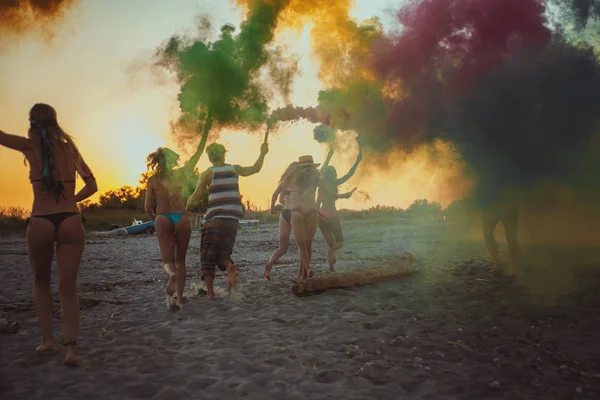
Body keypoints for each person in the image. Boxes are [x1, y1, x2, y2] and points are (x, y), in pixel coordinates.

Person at [0, 103, 98, 367]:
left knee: (41, 281)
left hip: (41, 220)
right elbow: (92, 185)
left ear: (32, 124)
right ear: (56, 123)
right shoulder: (70, 148)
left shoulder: (30, 146)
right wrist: (72, 200)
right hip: (70, 219)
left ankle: (47, 341)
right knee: (68, 288)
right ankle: (71, 349)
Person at [186, 140, 269, 299]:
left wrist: (186, 208)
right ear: (224, 154)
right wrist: (263, 153)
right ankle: (229, 266)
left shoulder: (208, 173)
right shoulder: (235, 169)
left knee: (207, 257)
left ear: (210, 157)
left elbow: (196, 195)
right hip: (232, 221)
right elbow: (255, 169)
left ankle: (210, 293)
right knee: (224, 254)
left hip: (214, 220)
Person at [144, 130, 208, 309]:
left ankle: (171, 275)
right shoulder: (181, 174)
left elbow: (147, 207)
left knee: (168, 262)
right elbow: (197, 154)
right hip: (181, 217)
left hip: (162, 216)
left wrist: (155, 218)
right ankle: (179, 298)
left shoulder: (152, 180)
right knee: (181, 260)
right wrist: (205, 133)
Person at [271, 155, 323, 279]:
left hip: (294, 211)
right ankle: (304, 273)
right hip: (306, 211)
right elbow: (323, 193)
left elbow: (279, 196)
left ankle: (305, 271)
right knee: (306, 244)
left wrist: (273, 207)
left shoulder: (292, 179)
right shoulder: (315, 178)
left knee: (300, 245)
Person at [317, 138, 363, 271]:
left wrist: (330, 154)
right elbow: (350, 173)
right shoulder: (334, 183)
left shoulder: (321, 183)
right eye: (335, 173)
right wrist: (358, 160)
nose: (337, 174)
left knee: (330, 244)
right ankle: (331, 255)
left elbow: (323, 169)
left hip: (320, 215)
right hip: (331, 213)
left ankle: (331, 268)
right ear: (333, 175)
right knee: (339, 242)